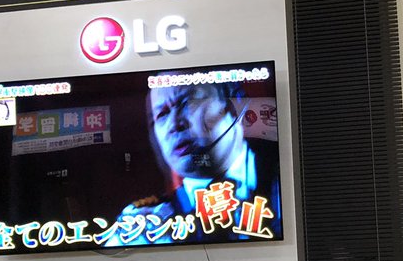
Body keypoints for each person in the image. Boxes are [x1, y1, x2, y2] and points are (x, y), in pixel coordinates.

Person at [110, 81, 281, 245]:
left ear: (233, 107)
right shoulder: (145, 224)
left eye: (187, 103)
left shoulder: (286, 177)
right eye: (161, 115)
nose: (174, 125)